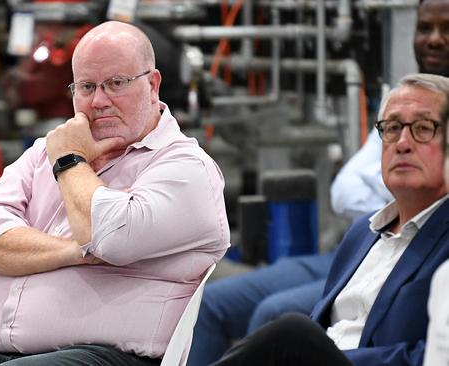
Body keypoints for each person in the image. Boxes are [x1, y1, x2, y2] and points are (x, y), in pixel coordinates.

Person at [0, 21, 230, 366]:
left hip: (106, 356)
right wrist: (74, 251)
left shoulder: (185, 167)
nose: (98, 101)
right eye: (86, 87)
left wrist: (71, 161)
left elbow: (111, 238)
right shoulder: (46, 150)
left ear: (152, 84)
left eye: (116, 83)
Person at [188, 1, 449, 363]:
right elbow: (344, 190)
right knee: (212, 302)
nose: (403, 142)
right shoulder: (363, 230)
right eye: (391, 130)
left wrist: (330, 357)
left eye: (422, 130)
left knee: (284, 324)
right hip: (355, 249)